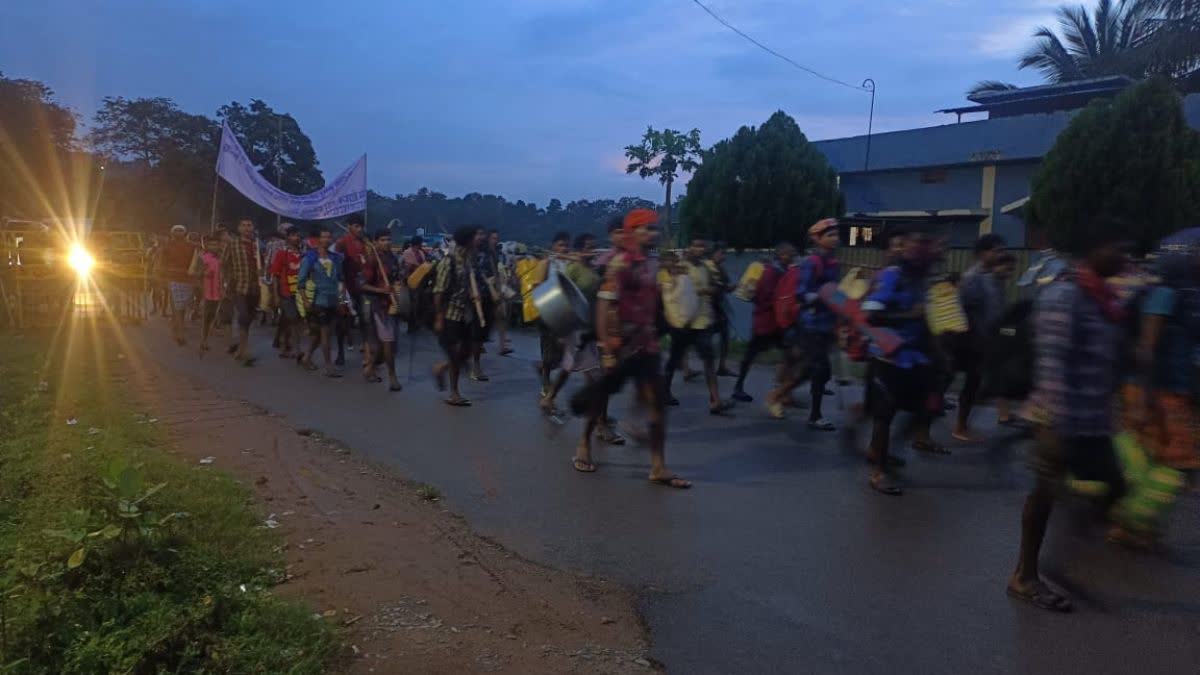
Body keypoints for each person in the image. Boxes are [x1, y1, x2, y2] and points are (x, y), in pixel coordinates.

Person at [1008, 229, 1132, 612]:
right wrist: (1056, 423)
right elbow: (1052, 363)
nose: (1125, 254)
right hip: (1059, 417)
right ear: (1095, 247)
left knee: (1115, 484)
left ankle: (1072, 536)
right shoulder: (1066, 296)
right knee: (1043, 494)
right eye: (1119, 245)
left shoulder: (1102, 298)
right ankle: (1024, 577)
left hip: (1093, 419)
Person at [569, 209, 689, 488]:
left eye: (654, 228)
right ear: (633, 232)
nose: (653, 233)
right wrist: (608, 350)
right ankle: (583, 444)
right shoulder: (619, 265)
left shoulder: (652, 264)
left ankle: (658, 466)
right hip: (620, 345)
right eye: (646, 229)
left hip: (647, 345)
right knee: (600, 397)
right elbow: (604, 307)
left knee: (657, 404)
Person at [861, 228, 945, 495]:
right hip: (889, 356)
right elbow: (871, 316)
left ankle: (883, 451)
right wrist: (910, 315)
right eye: (919, 243)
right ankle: (878, 472)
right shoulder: (892, 276)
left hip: (917, 357)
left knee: (926, 409)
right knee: (884, 414)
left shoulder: (921, 281)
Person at [1125, 246, 1200, 470]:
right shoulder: (1164, 293)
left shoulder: (1188, 293)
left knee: (1174, 465)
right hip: (1156, 392)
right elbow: (1146, 348)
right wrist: (1141, 400)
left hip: (1174, 391)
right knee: (1155, 464)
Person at [768, 220, 841, 429]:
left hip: (827, 324)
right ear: (818, 239)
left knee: (816, 370)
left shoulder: (833, 263)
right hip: (811, 325)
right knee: (817, 369)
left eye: (836, 234)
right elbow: (802, 294)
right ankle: (787, 401)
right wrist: (821, 296)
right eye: (830, 235)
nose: (835, 238)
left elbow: (835, 292)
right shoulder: (813, 262)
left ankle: (785, 398)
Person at [663, 237, 732, 415]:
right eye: (696, 246)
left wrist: (714, 289)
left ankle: (715, 400)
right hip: (684, 321)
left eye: (702, 246)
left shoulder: (706, 268)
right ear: (690, 247)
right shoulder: (681, 266)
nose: (699, 249)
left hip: (703, 320)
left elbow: (716, 287)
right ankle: (664, 392)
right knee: (673, 359)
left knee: (709, 360)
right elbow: (672, 292)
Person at [951, 234, 1008, 441]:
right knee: (967, 383)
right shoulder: (972, 278)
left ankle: (960, 426)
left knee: (974, 383)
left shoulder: (994, 277)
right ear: (984, 253)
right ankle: (957, 427)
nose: (1001, 254)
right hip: (971, 342)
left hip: (986, 341)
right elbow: (961, 309)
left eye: (1002, 250)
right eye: (997, 250)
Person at [732, 243, 796, 402]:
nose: (793, 256)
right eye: (789, 253)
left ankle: (783, 391)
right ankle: (739, 387)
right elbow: (765, 296)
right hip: (766, 322)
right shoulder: (771, 272)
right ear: (781, 255)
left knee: (789, 354)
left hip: (775, 323)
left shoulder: (782, 271)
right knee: (751, 355)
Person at [432, 226, 485, 407]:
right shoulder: (449, 262)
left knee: (466, 351)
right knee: (455, 354)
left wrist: (472, 293)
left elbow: (466, 283)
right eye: (475, 237)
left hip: (465, 312)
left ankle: (441, 368)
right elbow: (438, 291)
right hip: (449, 313)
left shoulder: (467, 260)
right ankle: (454, 393)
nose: (479, 240)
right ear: (468, 241)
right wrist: (439, 317)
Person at [297, 226, 345, 377]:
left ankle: (306, 358)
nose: (326, 240)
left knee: (318, 335)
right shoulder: (310, 258)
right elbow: (301, 282)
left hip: (333, 300)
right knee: (325, 334)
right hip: (318, 301)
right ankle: (329, 367)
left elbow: (341, 280)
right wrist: (305, 300)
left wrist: (341, 299)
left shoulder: (335, 258)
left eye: (329, 237)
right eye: (323, 237)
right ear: (317, 239)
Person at [361, 230, 406, 391]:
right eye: (382, 240)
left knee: (386, 345)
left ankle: (370, 368)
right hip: (379, 306)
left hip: (393, 304)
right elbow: (363, 284)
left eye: (388, 239)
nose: (386, 242)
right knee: (388, 342)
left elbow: (398, 279)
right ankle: (392, 377)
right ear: (376, 242)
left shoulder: (393, 259)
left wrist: (397, 287)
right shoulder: (372, 260)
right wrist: (382, 291)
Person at [537, 232, 573, 408]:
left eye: (566, 245)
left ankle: (544, 369)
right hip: (550, 310)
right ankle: (545, 380)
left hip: (567, 313)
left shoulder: (571, 264)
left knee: (563, 351)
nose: (564, 248)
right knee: (549, 351)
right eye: (560, 245)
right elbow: (538, 286)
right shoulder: (547, 263)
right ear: (553, 246)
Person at [221, 218, 261, 364]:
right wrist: (225, 283)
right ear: (239, 228)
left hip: (256, 287)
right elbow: (223, 264)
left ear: (253, 228)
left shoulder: (257, 245)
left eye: (249, 225)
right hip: (239, 286)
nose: (246, 228)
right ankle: (243, 351)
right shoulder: (232, 244)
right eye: (243, 225)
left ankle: (241, 349)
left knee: (249, 318)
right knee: (243, 316)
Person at [333, 213, 368, 366]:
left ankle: (367, 352)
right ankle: (340, 353)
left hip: (362, 287)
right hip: (345, 286)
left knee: (365, 320)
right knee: (342, 320)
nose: (359, 229)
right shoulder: (341, 243)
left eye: (361, 226)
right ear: (349, 227)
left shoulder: (366, 243)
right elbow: (336, 264)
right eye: (356, 226)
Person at [159, 224, 197, 346]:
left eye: (181, 230)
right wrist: (162, 278)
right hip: (172, 278)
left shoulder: (192, 246)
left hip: (187, 279)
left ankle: (176, 326)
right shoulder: (166, 246)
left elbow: (196, 262)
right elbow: (161, 263)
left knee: (182, 306)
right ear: (172, 233)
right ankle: (180, 334)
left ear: (185, 232)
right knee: (177, 306)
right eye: (176, 230)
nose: (179, 232)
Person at [269, 226, 304, 359]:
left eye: (298, 235)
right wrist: (276, 295)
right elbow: (275, 276)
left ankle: (284, 347)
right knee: (293, 319)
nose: (297, 238)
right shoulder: (282, 254)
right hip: (286, 292)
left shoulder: (302, 254)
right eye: (294, 235)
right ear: (287, 238)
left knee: (290, 320)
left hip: (300, 293)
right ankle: (297, 349)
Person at [707, 243, 735, 377]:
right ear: (713, 254)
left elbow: (726, 287)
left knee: (724, 335)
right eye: (721, 253)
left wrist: (737, 286)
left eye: (724, 253)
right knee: (703, 337)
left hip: (719, 307)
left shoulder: (721, 269)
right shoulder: (707, 267)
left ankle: (722, 366)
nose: (723, 256)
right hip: (707, 307)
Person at [196, 233, 223, 354]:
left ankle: (207, 338)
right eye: (211, 244)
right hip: (206, 292)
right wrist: (204, 273)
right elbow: (195, 272)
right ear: (206, 245)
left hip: (219, 291)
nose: (214, 246)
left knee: (213, 316)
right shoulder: (202, 257)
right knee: (206, 317)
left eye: (216, 244)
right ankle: (203, 340)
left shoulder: (221, 257)